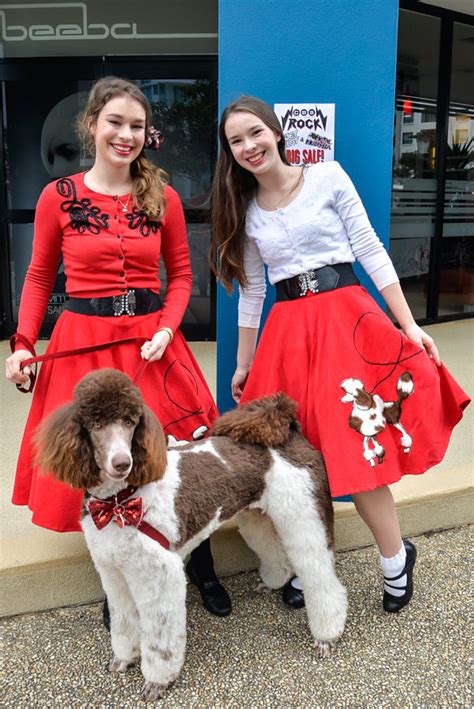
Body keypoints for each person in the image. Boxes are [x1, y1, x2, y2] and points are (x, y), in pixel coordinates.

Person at [210, 95, 470, 613]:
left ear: (277, 132)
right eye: (235, 141)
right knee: (298, 463)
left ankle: (395, 558)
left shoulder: (327, 176)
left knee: (355, 447)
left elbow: (370, 248)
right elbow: (255, 291)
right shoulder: (247, 209)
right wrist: (244, 362)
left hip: (344, 323)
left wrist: (408, 324)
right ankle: (314, 564)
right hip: (287, 334)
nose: (248, 147)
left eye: (254, 133)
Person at [5, 77, 231, 619]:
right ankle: (123, 585)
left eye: (136, 126)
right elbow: (38, 277)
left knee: (175, 453)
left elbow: (180, 275)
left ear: (146, 133)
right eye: (115, 123)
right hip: (83, 343)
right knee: (100, 460)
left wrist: (166, 329)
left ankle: (201, 566)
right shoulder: (57, 198)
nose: (125, 135)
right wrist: (21, 344)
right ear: (92, 126)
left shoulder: (164, 195)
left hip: (153, 341)